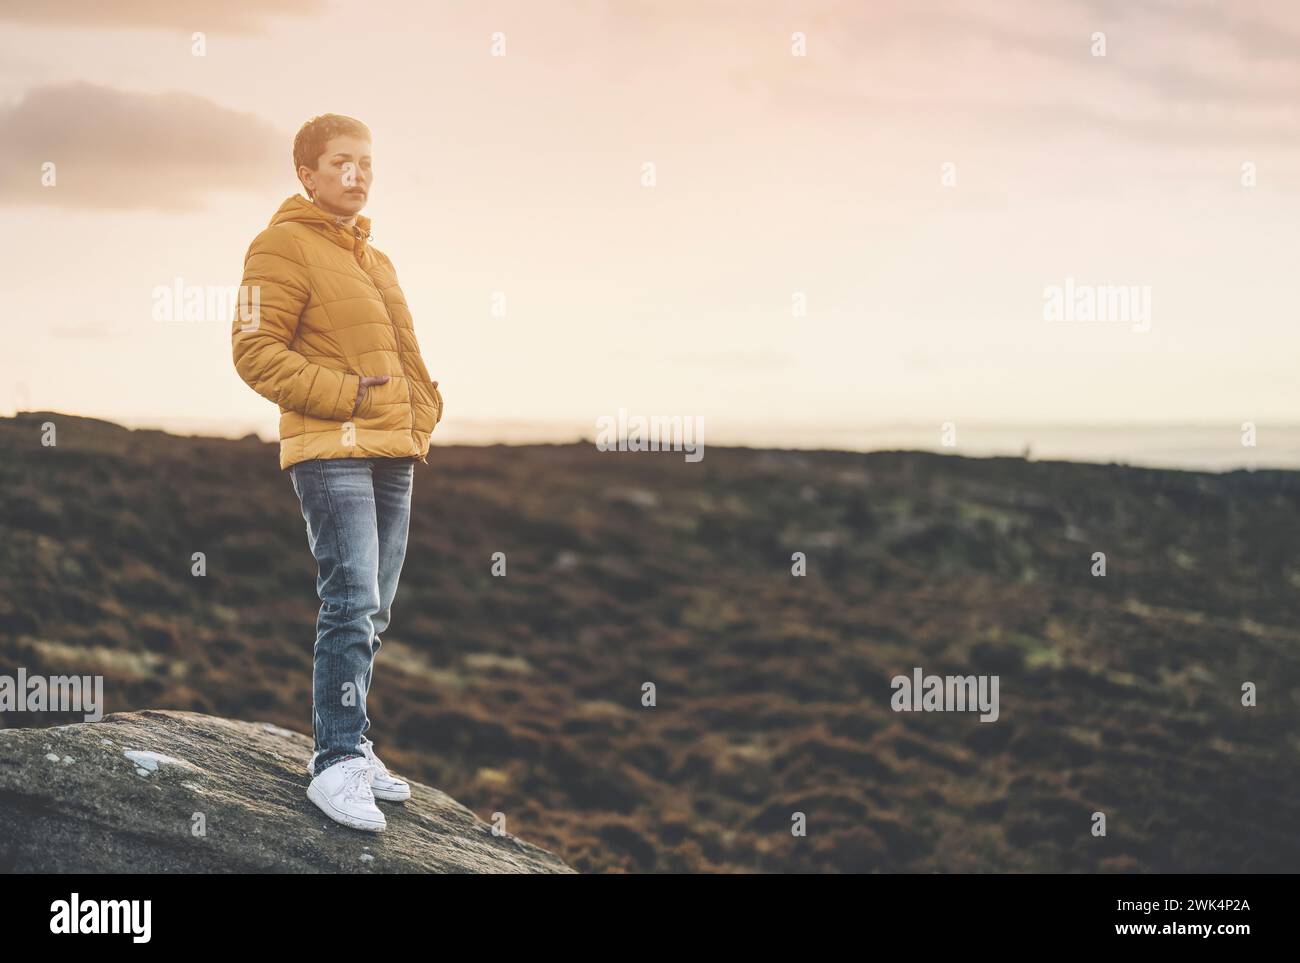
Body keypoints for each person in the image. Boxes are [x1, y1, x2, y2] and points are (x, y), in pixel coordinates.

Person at [231, 113, 445, 831]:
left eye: (366, 163)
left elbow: (404, 356)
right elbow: (253, 350)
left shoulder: (373, 259)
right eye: (342, 162)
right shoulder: (279, 245)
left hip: (392, 450)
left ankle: (355, 739)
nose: (357, 174)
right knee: (349, 599)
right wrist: (346, 394)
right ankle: (336, 760)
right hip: (331, 449)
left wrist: (425, 408)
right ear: (307, 173)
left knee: (375, 608)